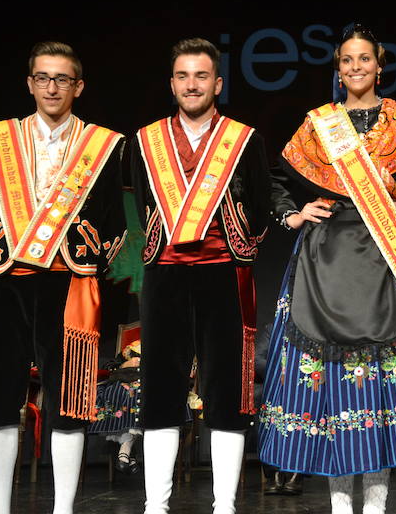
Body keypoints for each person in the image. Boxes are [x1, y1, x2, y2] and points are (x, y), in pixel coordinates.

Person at [258, 23, 396, 514]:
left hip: (386, 256)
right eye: (347, 61)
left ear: (380, 65)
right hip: (325, 255)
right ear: (338, 70)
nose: (356, 68)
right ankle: (338, 505)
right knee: (334, 386)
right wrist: (293, 213)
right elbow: (274, 179)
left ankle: (374, 507)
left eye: (365, 60)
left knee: (380, 385)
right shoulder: (318, 124)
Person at [0, 41, 126, 514]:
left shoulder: (101, 144)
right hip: (8, 280)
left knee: (69, 400)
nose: (51, 87)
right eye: (42, 77)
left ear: (78, 86)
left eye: (62, 79)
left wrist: (84, 255)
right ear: (30, 83)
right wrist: (5, 250)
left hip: (69, 284)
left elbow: (115, 220)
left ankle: (63, 509)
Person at [132, 38, 271, 514]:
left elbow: (260, 207)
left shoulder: (244, 138)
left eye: (202, 76)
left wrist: (231, 238)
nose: (192, 85)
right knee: (160, 387)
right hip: (165, 275)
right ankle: (156, 504)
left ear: (218, 83)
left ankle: (224, 505)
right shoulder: (146, 140)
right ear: (172, 84)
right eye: (183, 76)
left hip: (223, 273)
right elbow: (146, 209)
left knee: (227, 390)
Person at [88, 339, 143, 474]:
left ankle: (126, 449)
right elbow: (110, 366)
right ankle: (129, 452)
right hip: (123, 382)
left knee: (136, 395)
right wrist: (125, 364)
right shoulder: (131, 348)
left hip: (148, 384)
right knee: (114, 393)